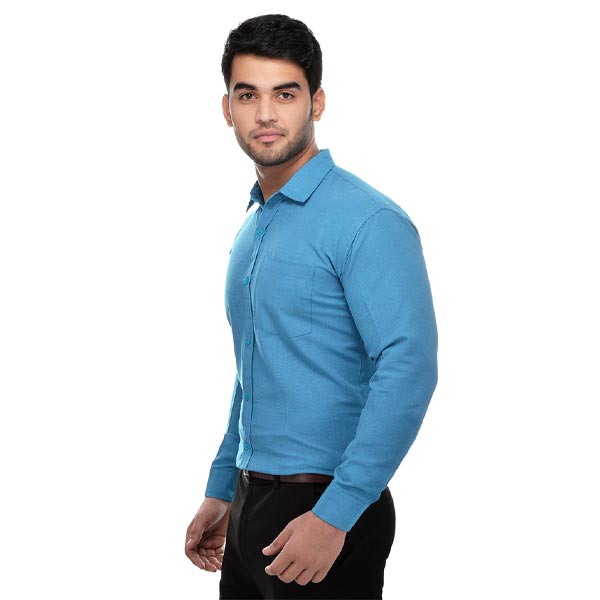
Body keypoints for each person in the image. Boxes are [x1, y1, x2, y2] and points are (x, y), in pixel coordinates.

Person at [185, 13, 438, 600]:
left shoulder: (368, 221)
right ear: (226, 108)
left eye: (285, 94)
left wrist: (335, 515)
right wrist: (222, 489)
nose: (265, 114)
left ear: (316, 102)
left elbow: (408, 368)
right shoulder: (253, 229)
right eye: (247, 95)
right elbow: (254, 373)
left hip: (325, 511)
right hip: (250, 503)